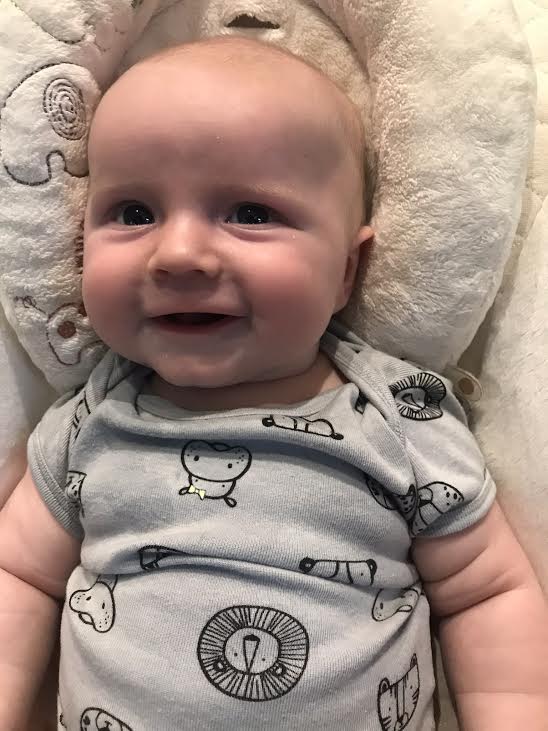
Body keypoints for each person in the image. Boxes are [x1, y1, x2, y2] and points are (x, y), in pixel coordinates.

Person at [0, 35, 546, 731]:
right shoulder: (91, 423)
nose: (179, 254)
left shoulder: (398, 419)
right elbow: (19, 575)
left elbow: (485, 593)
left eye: (250, 214)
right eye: (134, 213)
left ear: (346, 271)